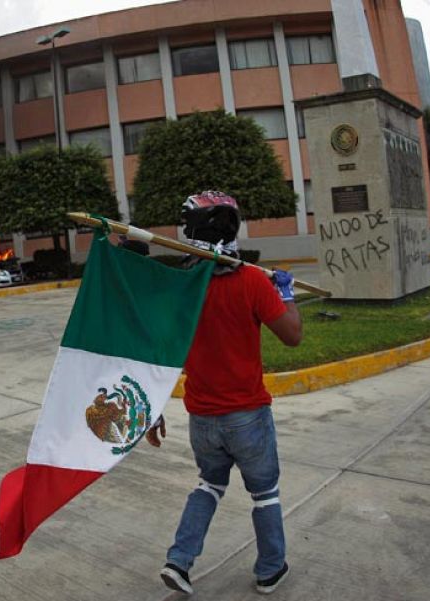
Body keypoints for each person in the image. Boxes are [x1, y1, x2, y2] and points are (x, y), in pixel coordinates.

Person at [145, 190, 302, 596]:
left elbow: (165, 355)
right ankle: (270, 570)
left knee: (209, 486)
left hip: (203, 419)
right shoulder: (253, 281)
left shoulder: (182, 288)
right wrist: (286, 294)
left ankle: (179, 560)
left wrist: (153, 409)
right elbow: (293, 336)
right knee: (264, 493)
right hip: (247, 415)